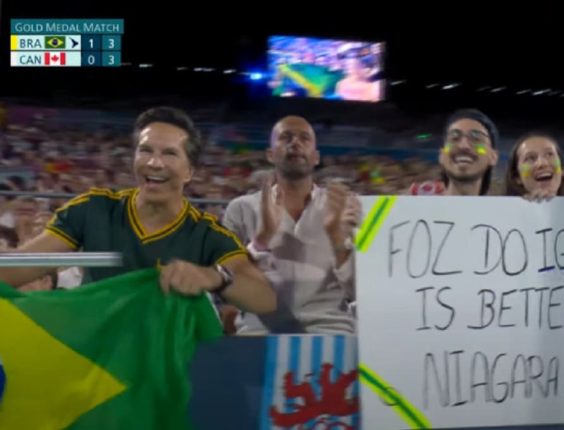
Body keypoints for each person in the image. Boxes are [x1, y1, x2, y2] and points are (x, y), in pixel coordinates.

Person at [0, 107, 276, 316]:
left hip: (161, 369)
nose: (154, 163)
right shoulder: (93, 209)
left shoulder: (206, 233)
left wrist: (214, 277)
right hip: (96, 364)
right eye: (145, 151)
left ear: (189, 171)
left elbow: (264, 298)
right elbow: (21, 266)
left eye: (169, 153)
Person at [223, 115, 361, 334]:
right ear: (270, 154)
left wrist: (337, 238)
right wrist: (262, 239)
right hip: (259, 332)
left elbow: (360, 292)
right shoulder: (240, 209)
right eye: (285, 137)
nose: (295, 143)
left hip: (330, 331)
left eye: (304, 138)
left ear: (316, 157)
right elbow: (226, 285)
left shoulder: (344, 207)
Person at [409, 109, 500, 196]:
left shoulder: (502, 210)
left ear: (493, 157)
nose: (463, 145)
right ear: (441, 155)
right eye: (454, 138)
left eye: (476, 138)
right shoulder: (410, 204)